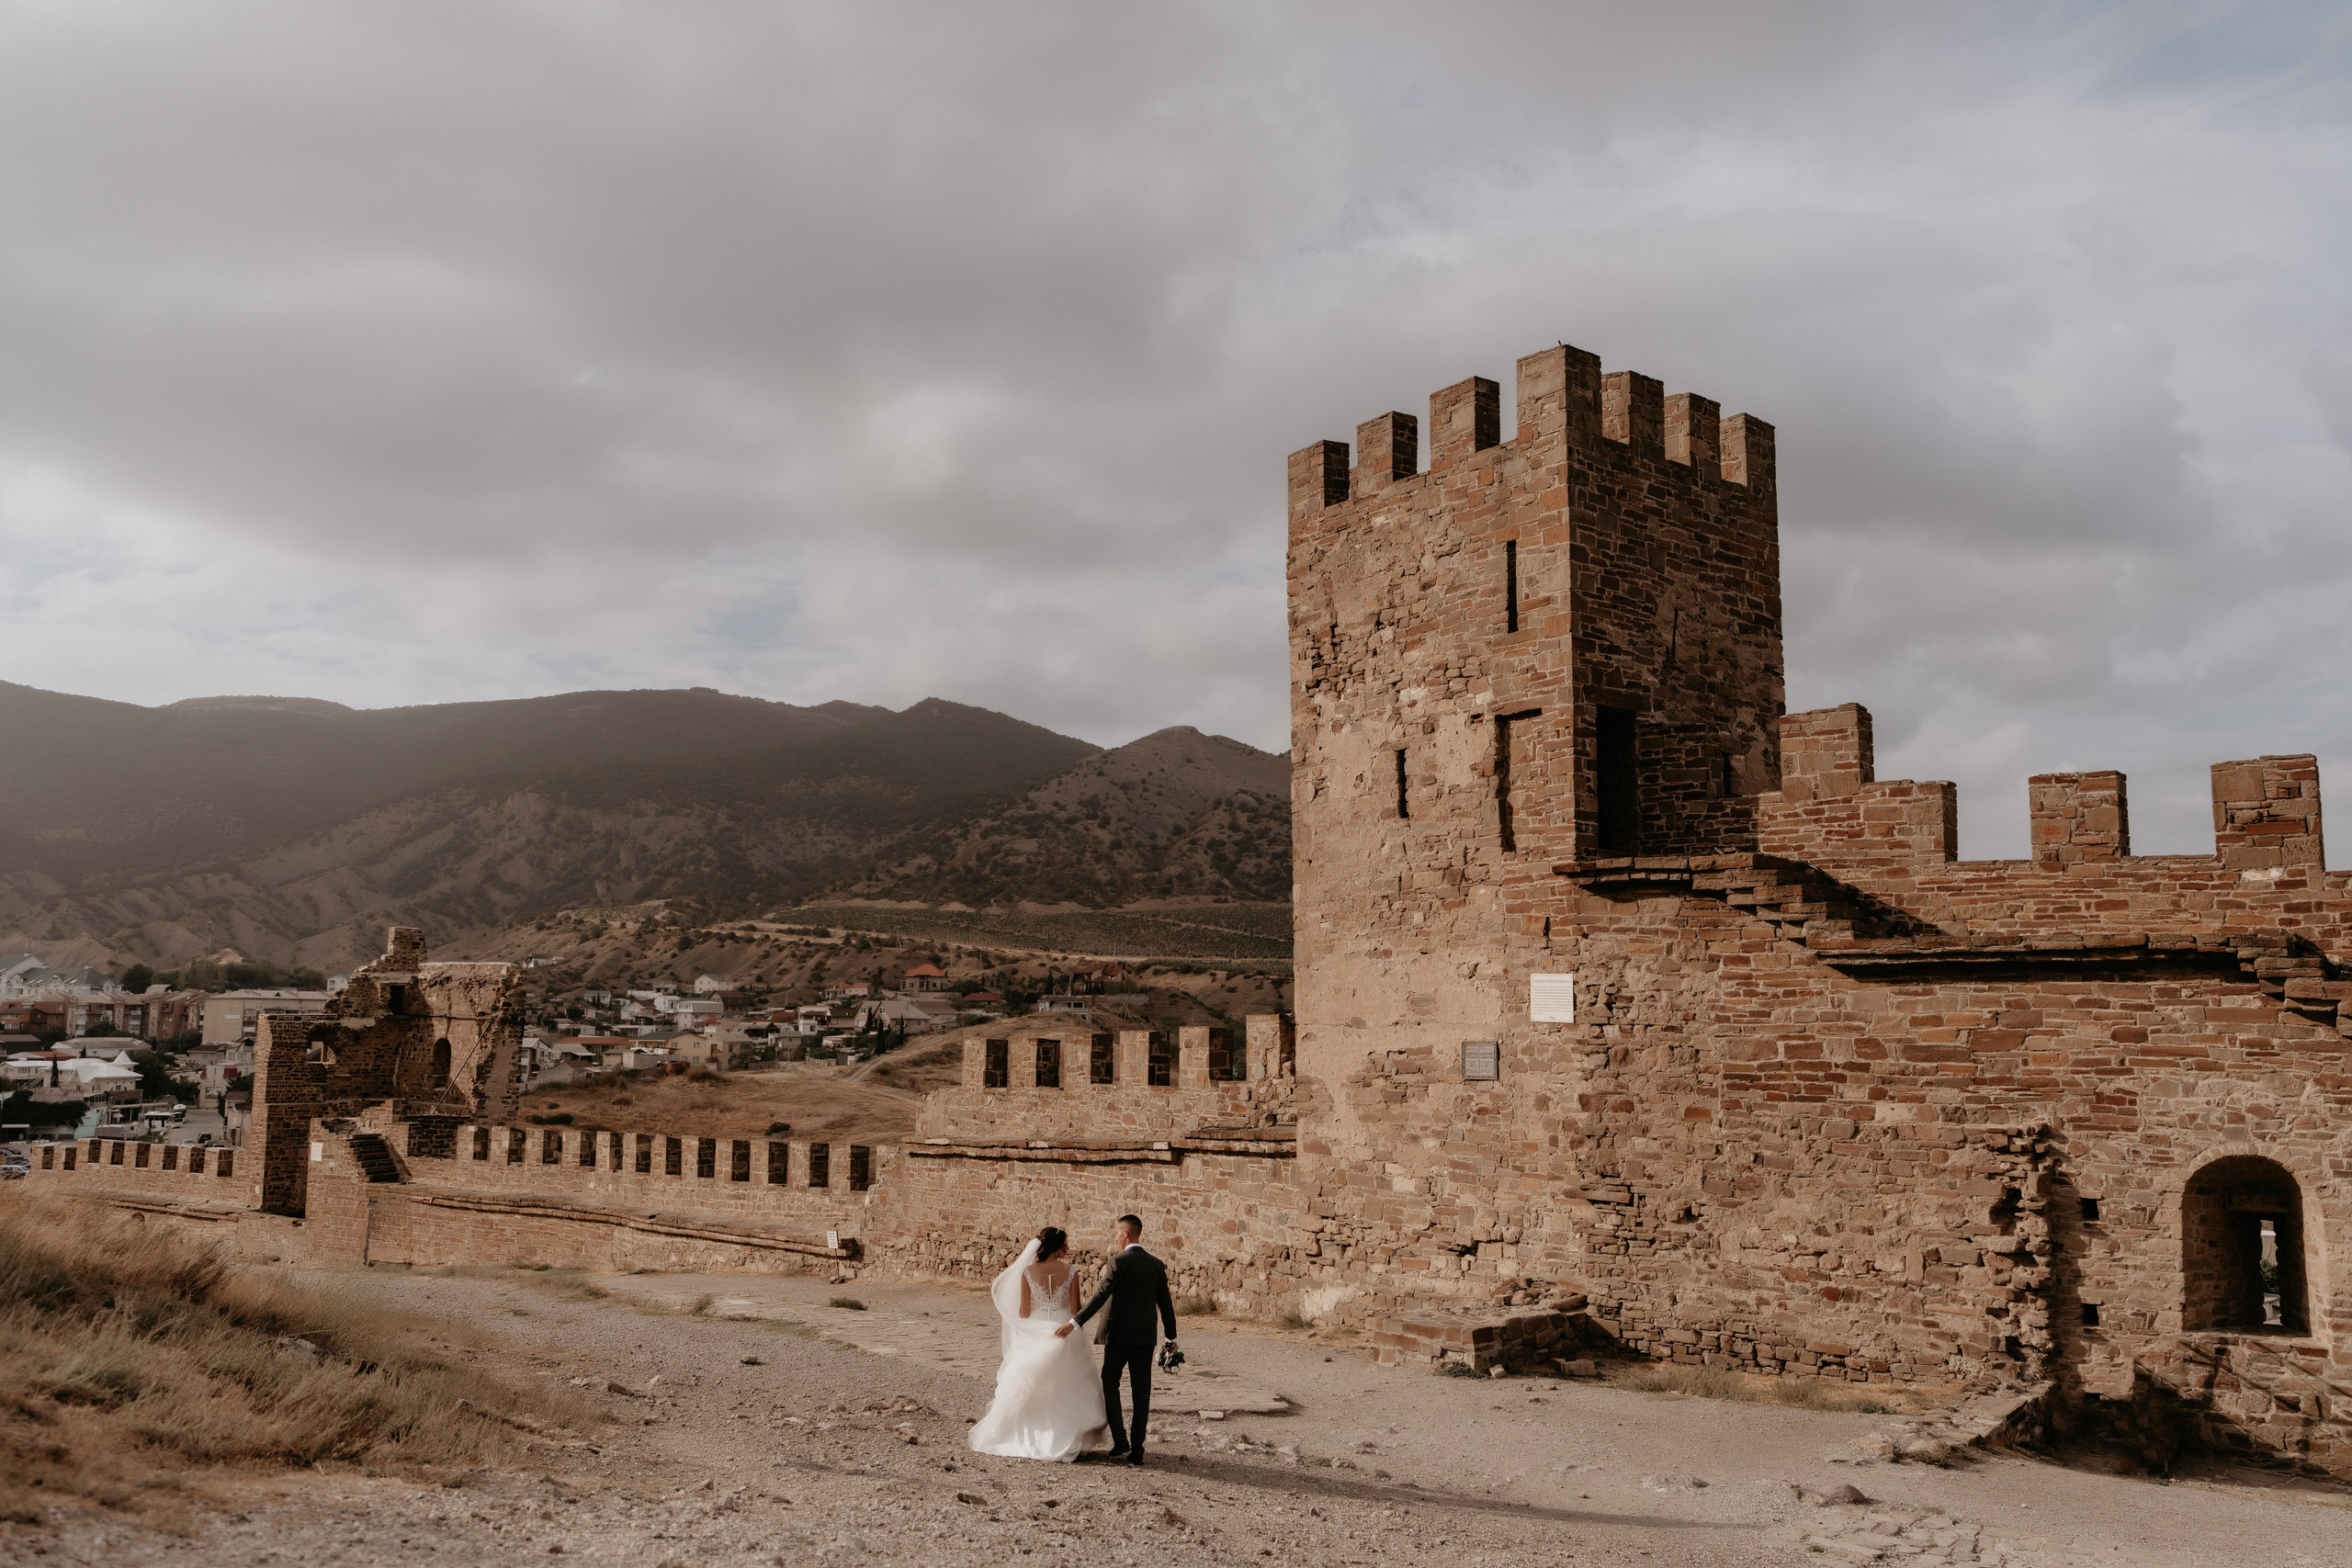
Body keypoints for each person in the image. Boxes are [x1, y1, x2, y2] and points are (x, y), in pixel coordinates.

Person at [967, 1226, 1113, 1461]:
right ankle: (1068, 1433)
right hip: (1064, 1327)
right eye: (1065, 1244)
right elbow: (1077, 1310)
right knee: (1069, 1381)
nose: (1068, 1247)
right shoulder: (1072, 1271)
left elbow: (1024, 1311)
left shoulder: (1027, 1272)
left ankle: (1027, 1430)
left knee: (1033, 1382)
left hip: (1037, 1327)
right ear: (1057, 1247)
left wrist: (1029, 1330)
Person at [1056, 1213, 1177, 1465]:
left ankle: (1121, 1439)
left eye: (1116, 1233)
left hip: (1118, 1336)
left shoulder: (1117, 1262)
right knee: (1141, 1391)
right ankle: (1138, 1450)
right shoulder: (1156, 1264)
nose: (1115, 1238)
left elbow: (1100, 1297)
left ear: (1126, 1234)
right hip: (1145, 1338)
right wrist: (1170, 1338)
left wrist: (1073, 1323)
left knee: (1109, 1381)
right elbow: (1166, 1304)